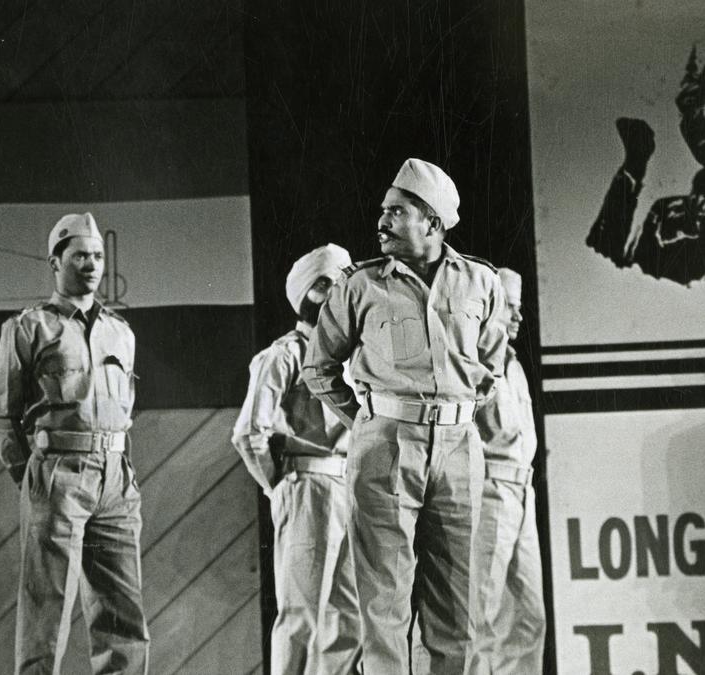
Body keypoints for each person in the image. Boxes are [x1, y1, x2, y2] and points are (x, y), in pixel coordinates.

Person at [304, 158, 507, 673]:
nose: (382, 221)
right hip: (386, 447)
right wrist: (368, 421)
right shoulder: (359, 285)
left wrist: (458, 412)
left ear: (432, 223)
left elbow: (492, 363)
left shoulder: (481, 282)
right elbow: (318, 367)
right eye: (383, 211)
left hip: (460, 449)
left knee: (457, 611)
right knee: (384, 608)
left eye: (396, 212)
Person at [0, 213, 150, 674]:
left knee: (123, 612)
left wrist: (120, 473)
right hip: (58, 473)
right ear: (55, 262)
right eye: (80, 256)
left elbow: (125, 406)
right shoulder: (29, 328)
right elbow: (0, 414)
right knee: (47, 608)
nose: (92, 264)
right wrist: (31, 476)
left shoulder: (120, 331)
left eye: (97, 256)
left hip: (115, 479)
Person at [232, 243, 361, 674]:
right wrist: (280, 486)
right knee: (303, 614)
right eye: (324, 284)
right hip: (308, 486)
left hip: (351, 488)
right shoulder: (284, 355)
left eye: (342, 283)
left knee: (348, 618)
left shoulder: (351, 360)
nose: (334, 293)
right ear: (305, 294)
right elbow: (249, 433)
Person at [587, 47, 705, 285]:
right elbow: (607, 265)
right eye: (691, 103)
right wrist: (634, 165)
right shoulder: (671, 212)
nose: (703, 115)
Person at [470, 268, 544, 672]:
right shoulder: (472, 359)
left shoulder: (513, 364)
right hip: (489, 489)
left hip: (521, 492)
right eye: (509, 308)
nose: (518, 316)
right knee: (475, 616)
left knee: (527, 618)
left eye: (519, 307)